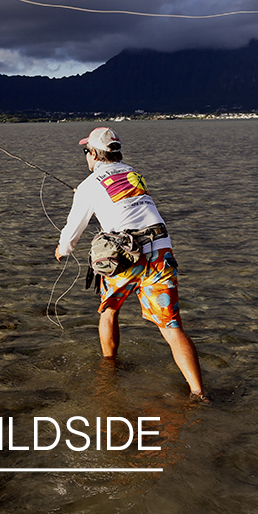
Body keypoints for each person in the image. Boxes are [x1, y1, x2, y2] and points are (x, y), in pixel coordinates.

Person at [54, 127, 207, 400]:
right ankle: (199, 392)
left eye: (85, 151)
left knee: (109, 310)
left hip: (124, 258)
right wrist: (88, 192)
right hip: (160, 252)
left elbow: (73, 229)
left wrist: (62, 250)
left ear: (93, 154)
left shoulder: (90, 186)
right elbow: (125, 200)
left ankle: (110, 368)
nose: (85, 156)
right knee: (172, 328)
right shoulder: (134, 174)